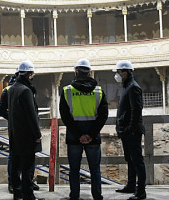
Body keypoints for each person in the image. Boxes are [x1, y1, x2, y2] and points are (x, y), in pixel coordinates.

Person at [59, 58, 108, 200]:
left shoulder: (67, 91)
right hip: (93, 138)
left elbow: (65, 116)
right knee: (95, 170)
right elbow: (103, 115)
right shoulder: (98, 92)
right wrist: (91, 135)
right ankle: (97, 196)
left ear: (76, 72)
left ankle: (74, 196)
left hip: (74, 137)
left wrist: (79, 134)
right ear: (89, 73)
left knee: (74, 170)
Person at [0, 73, 40, 194]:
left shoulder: (26, 88)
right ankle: (14, 184)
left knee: (27, 159)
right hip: (17, 130)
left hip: (24, 129)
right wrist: (13, 119)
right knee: (15, 158)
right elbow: (0, 109)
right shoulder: (10, 89)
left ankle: (27, 183)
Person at [8, 60, 44, 200]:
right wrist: (37, 134)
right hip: (27, 137)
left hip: (15, 135)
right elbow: (31, 115)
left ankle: (17, 194)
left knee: (15, 166)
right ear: (29, 74)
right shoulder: (26, 90)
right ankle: (29, 196)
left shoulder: (12, 89)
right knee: (27, 168)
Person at [113, 60, 146, 200]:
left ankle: (141, 191)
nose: (117, 75)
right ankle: (131, 186)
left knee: (137, 161)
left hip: (132, 131)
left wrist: (130, 129)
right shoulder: (126, 86)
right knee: (130, 159)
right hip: (126, 131)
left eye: (118, 72)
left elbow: (136, 110)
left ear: (125, 72)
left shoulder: (133, 87)